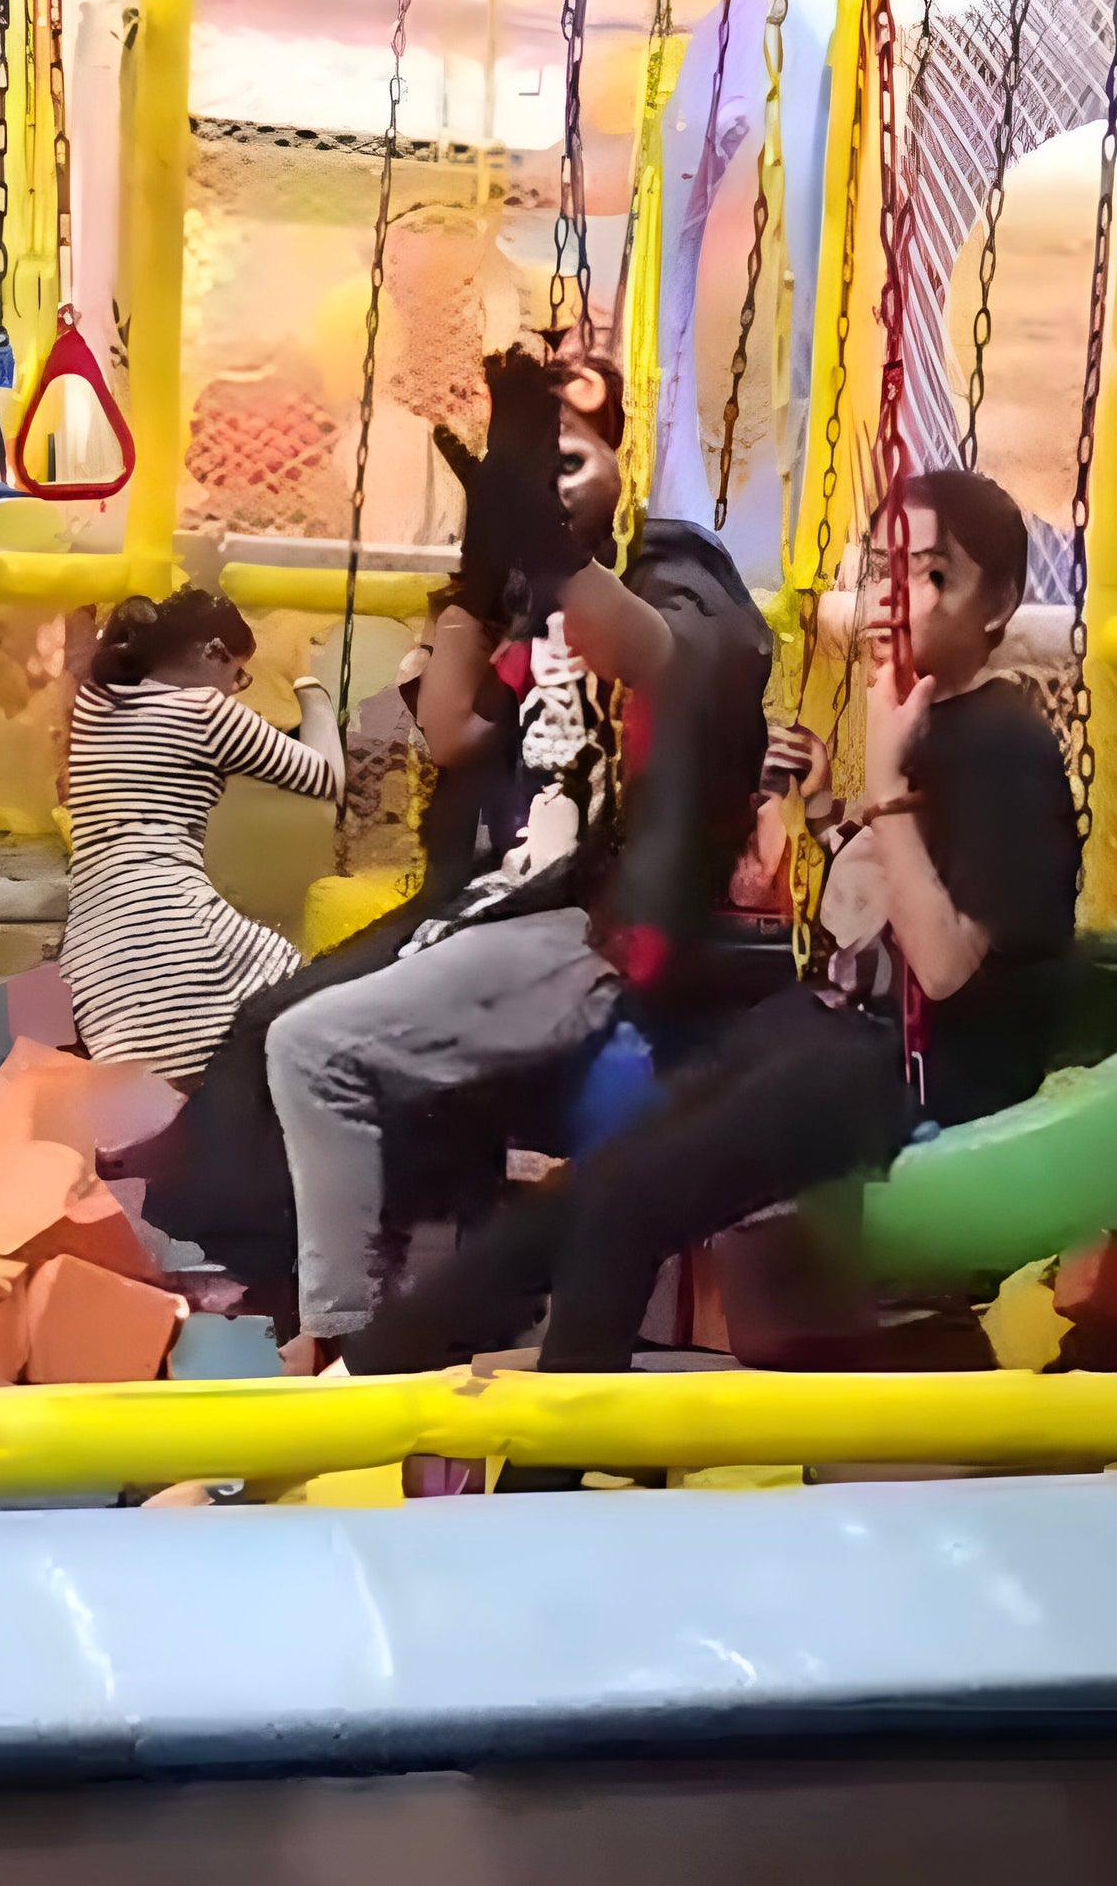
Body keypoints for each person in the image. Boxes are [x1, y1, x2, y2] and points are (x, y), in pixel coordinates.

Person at [348, 467, 1080, 1391]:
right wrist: (827, 814)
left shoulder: (1005, 742)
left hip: (922, 1063)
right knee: (582, 1190)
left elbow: (941, 974)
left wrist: (886, 785)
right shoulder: (929, 717)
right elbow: (871, 914)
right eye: (885, 571)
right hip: (844, 1025)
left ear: (998, 604)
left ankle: (544, 1489)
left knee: (625, 1200)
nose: (897, 600)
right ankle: (351, 1390)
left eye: (934, 575)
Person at [262, 341, 773, 1363]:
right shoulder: (533, 612)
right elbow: (449, 731)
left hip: (586, 921)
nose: (556, 483)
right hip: (499, 896)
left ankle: (341, 1342)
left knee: (308, 1045)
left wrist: (544, 549)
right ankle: (377, 1311)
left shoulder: (667, 574)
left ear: (624, 461)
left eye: (577, 456)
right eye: (538, 469)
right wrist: (480, 572)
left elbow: (660, 656)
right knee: (279, 1029)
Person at [61, 585, 343, 1081]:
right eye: (237, 673)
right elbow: (326, 778)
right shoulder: (204, 712)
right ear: (212, 650)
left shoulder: (94, 703)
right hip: (176, 934)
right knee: (317, 1011)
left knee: (154, 1117)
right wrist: (308, 686)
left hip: (94, 956)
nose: (236, 689)